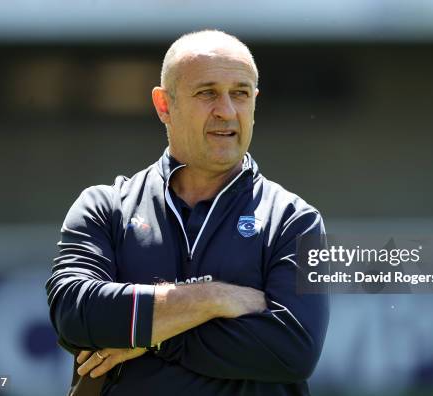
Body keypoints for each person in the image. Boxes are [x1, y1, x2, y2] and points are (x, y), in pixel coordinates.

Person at [46, 29, 329, 396]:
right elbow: (74, 314)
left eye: (240, 94)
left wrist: (153, 337)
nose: (226, 111)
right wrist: (212, 299)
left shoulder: (293, 219)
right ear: (164, 105)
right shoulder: (106, 207)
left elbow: (293, 350)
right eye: (207, 92)